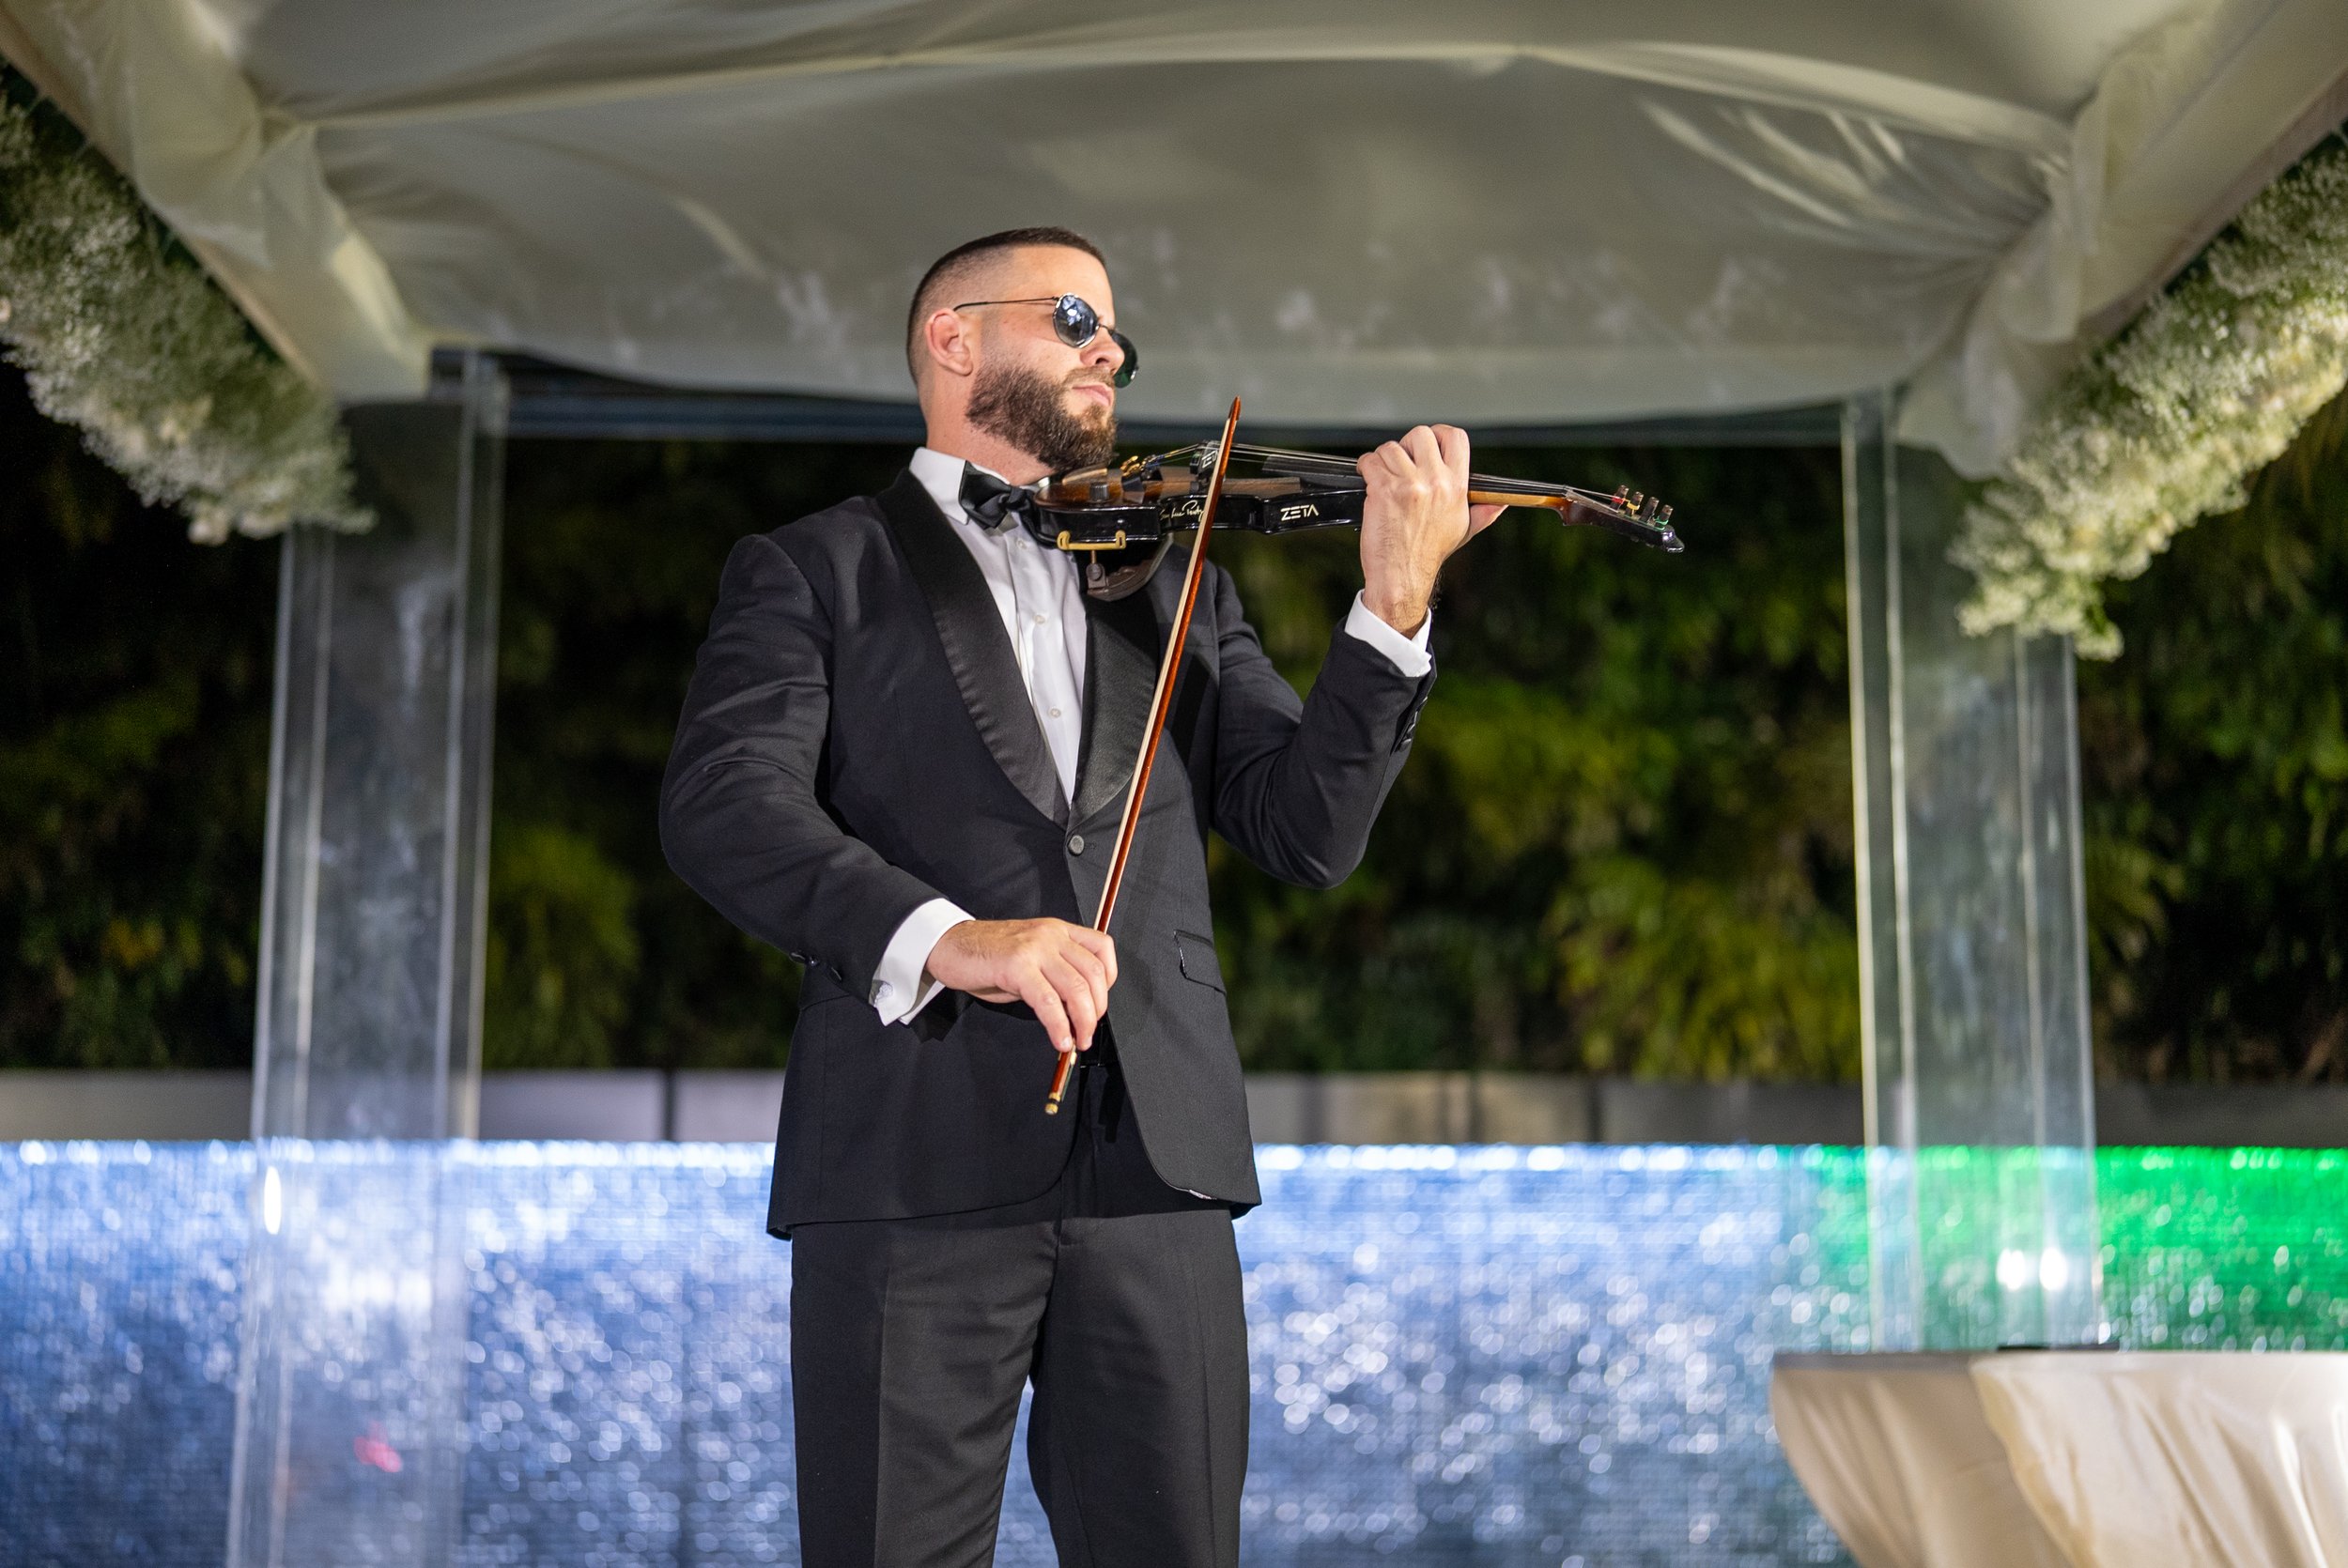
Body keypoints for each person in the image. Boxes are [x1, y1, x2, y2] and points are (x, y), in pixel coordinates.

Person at [659, 225, 1501, 1568]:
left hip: (1158, 1167)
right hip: (907, 1160)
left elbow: (1304, 832)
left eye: (1114, 332)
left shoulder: (1179, 580)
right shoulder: (816, 567)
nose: (1109, 350)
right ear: (953, 340)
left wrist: (1393, 608)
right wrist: (952, 937)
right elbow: (723, 804)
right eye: (1071, 319)